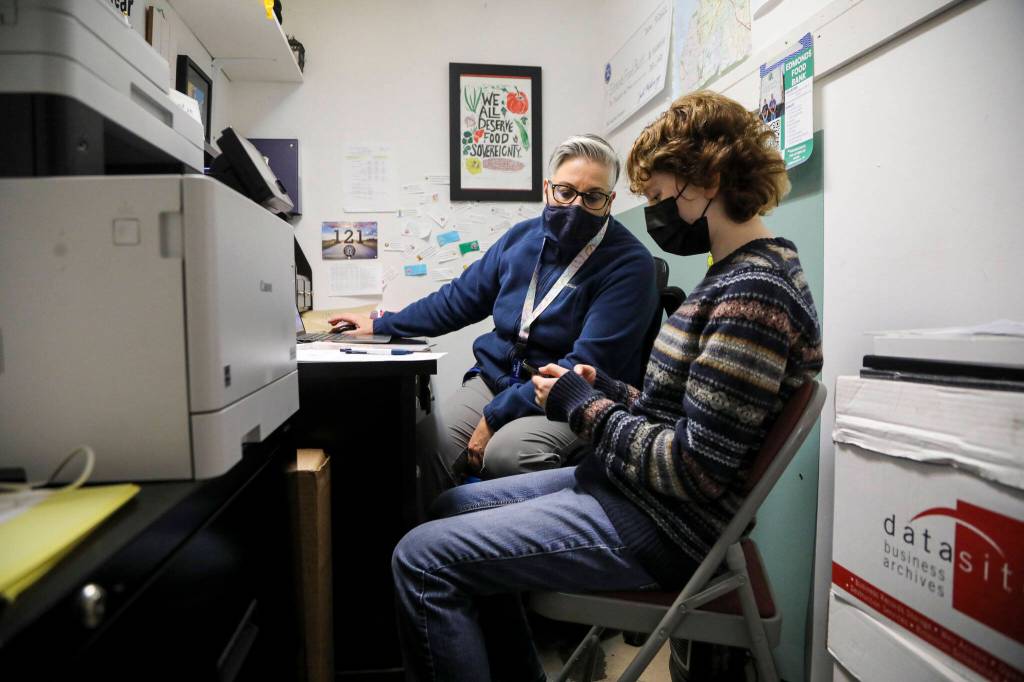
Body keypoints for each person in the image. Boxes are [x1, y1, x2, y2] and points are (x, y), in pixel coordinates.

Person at [390, 90, 823, 682]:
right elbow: (682, 415)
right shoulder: (733, 276)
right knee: (447, 508)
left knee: (421, 559)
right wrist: (615, 393)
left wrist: (583, 403)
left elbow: (694, 469)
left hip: (661, 524)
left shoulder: (753, 295)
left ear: (708, 180)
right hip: (634, 491)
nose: (656, 213)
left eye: (659, 196)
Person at [332, 134, 657, 506]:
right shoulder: (522, 238)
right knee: (431, 442)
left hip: (569, 394)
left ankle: (517, 542)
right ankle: (445, 537)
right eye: (565, 192)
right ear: (547, 189)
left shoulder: (629, 265)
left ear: (610, 201)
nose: (576, 206)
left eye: (593, 197)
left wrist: (496, 416)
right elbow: (458, 300)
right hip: (499, 378)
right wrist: (382, 324)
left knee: (508, 455)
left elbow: (585, 367)